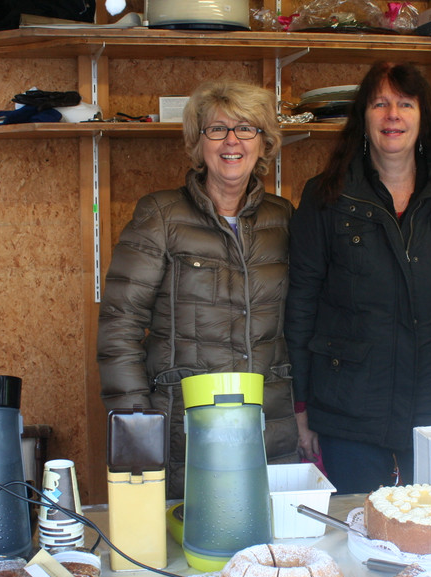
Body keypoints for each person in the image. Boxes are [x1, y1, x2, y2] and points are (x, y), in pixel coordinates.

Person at [285, 62, 431, 494]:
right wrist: (301, 407)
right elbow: (301, 307)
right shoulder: (326, 196)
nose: (392, 115)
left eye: (405, 104)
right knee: (357, 523)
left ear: (423, 118)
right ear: (363, 119)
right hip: (350, 411)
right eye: (379, 104)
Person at [97, 80, 298, 499]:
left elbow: (304, 322)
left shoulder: (284, 219)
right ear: (198, 141)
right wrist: (137, 428)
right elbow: (119, 328)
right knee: (188, 532)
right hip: (184, 427)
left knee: (266, 534)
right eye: (217, 129)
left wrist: (306, 411)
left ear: (264, 143)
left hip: (269, 424)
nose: (232, 141)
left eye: (246, 128)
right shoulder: (161, 215)